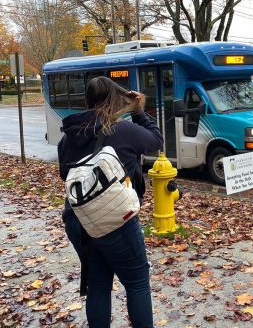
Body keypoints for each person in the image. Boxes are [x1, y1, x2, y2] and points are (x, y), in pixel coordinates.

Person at [58, 76, 163, 327]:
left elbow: (66, 174)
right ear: (117, 99)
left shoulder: (68, 137)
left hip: (78, 219)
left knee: (97, 284)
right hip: (116, 221)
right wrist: (139, 111)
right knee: (137, 283)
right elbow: (156, 141)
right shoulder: (122, 130)